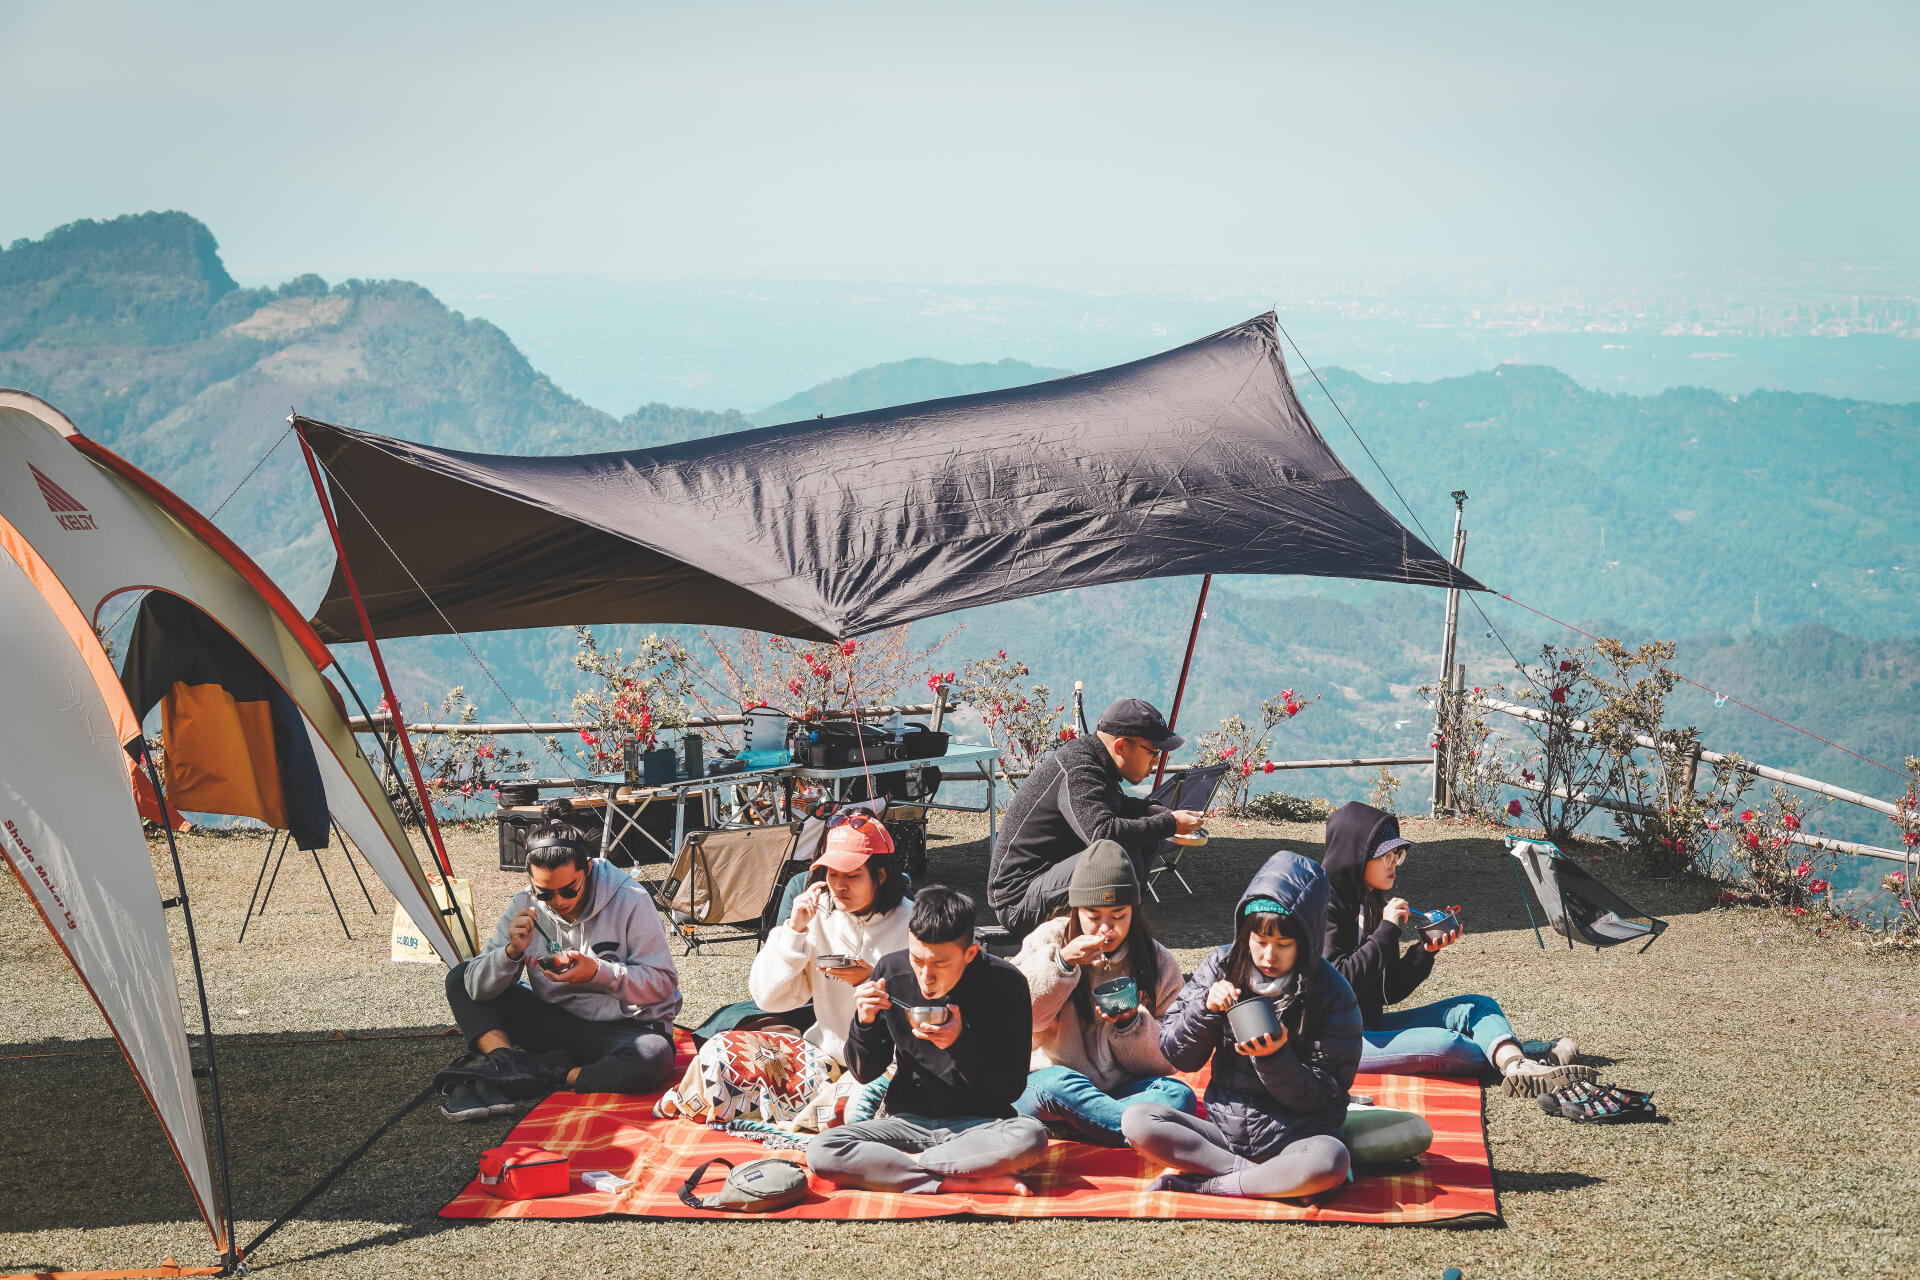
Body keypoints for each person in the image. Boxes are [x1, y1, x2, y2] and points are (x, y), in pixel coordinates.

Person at [1121, 851, 1360, 1200]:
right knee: (1138, 1120)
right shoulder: (1221, 965)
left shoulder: (1331, 992)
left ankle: (1213, 1185)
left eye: (1283, 944)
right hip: (1223, 1133)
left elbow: (1326, 1098)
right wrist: (1205, 1010)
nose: (1268, 956)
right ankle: (1261, 1178)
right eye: (1260, 941)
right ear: (1245, 933)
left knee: (1331, 1160)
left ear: (1306, 941)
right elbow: (1176, 1055)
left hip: (1296, 1135)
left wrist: (1276, 1057)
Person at [1318, 801, 1593, 1097]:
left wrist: (1425, 951)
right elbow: (1337, 985)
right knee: (1445, 1044)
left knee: (1478, 1006)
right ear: (1357, 856)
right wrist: (1386, 931)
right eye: (1386, 856)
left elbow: (1386, 992)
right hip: (1338, 1041)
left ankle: (1517, 1065)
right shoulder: (1322, 906)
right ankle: (1523, 1056)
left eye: (1398, 855)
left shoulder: (1371, 901)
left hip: (1371, 1022)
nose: (1394, 864)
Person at [438, 801, 681, 1121]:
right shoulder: (524, 905)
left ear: (589, 870)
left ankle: (548, 1072)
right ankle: (507, 1062)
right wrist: (510, 954)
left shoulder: (630, 899)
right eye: (545, 894)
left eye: (569, 890)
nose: (559, 903)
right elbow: (475, 987)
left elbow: (663, 985)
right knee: (461, 977)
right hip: (554, 1021)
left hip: (622, 1028)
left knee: (652, 1057)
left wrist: (598, 972)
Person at [806, 887, 1050, 1195]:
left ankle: (899, 1168)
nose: (925, 976)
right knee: (823, 1148)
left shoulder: (1007, 983)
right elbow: (864, 1073)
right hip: (906, 1121)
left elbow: (1010, 1089)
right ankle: (957, 1179)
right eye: (917, 959)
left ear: (970, 954)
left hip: (980, 1127)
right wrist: (864, 1021)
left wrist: (960, 1043)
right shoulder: (891, 973)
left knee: (1030, 1138)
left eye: (940, 964)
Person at [1011, 839, 1197, 1145]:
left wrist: (1130, 1024)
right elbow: (1015, 1019)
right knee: (1057, 1084)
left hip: (1120, 1089)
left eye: (1118, 915)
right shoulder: (1049, 939)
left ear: (1134, 911)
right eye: (1093, 916)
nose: (1105, 929)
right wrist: (1063, 963)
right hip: (1049, 1081)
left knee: (1178, 1096)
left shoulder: (1157, 960)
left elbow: (1171, 1056)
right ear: (1075, 909)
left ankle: (1086, 1124)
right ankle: (1140, 1129)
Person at [988, 697, 1207, 939]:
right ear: (1122, 746)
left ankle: (1128, 934)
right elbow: (1103, 834)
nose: (1156, 761)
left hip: (1045, 884)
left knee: (1139, 842)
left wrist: (1148, 810)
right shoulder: (1080, 770)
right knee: (1117, 855)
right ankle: (1126, 938)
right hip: (1019, 900)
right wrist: (1170, 823)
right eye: (1153, 752)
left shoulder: (1095, 760)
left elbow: (1111, 804)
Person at [748, 810, 913, 1066]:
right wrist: (794, 931)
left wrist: (868, 980)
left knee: (839, 1106)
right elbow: (769, 998)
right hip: (823, 1056)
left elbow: (931, 1012)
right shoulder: (816, 915)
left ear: (880, 875)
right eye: (832, 873)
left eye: (852, 874)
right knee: (722, 1057)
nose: (839, 885)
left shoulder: (913, 924)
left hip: (888, 1066)